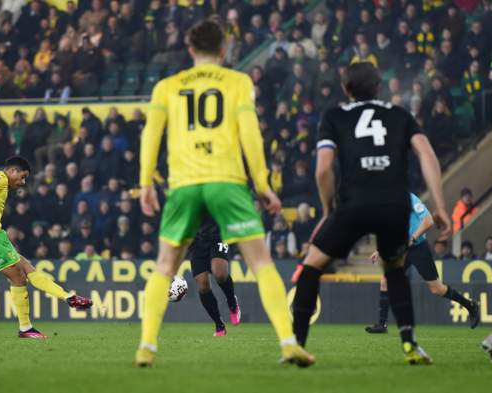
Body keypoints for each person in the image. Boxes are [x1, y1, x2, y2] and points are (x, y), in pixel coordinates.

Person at [134, 20, 313, 368]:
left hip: (184, 184)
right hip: (227, 181)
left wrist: (145, 183)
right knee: (261, 262)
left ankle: (146, 347)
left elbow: (151, 137)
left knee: (165, 266)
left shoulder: (167, 87)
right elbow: (251, 136)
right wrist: (262, 184)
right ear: (224, 50)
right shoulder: (238, 82)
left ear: (190, 50)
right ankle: (289, 342)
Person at [292, 62, 452, 366]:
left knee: (312, 266)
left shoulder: (334, 116)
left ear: (345, 88)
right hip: (394, 204)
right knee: (394, 269)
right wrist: (441, 206)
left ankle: (297, 345)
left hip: (354, 202)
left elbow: (324, 168)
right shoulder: (400, 115)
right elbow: (426, 153)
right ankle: (409, 344)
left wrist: (328, 209)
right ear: (379, 87)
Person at [0, 156, 93, 338]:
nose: (23, 182)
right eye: (22, 176)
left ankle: (69, 298)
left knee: (25, 267)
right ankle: (25, 327)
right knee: (18, 277)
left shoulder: (2, 185)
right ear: (12, 171)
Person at [365, 193, 479, 334]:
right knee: (386, 281)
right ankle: (382, 325)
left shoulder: (409, 197)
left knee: (436, 289)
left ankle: (470, 305)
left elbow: (428, 220)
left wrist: (413, 237)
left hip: (418, 248)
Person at [187, 216, 240, 336]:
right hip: (197, 241)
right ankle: (219, 324)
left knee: (220, 273)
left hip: (219, 235)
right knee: (203, 285)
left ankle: (232, 302)